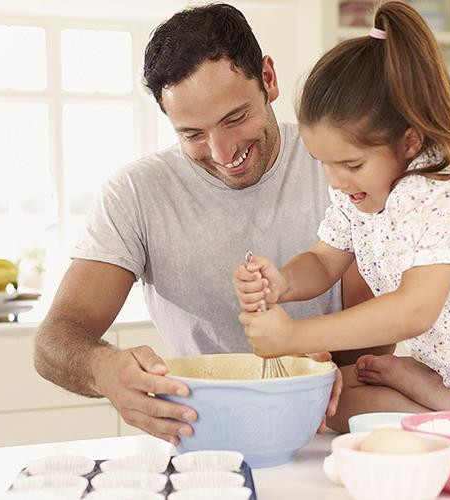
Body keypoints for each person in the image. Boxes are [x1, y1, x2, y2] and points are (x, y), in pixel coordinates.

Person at [34, 3, 383, 445]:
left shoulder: (336, 164)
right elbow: (54, 340)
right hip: (199, 439)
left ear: (269, 80)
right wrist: (104, 372)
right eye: (192, 135)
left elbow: (381, 317)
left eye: (235, 118)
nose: (222, 153)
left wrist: (321, 369)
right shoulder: (136, 194)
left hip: (329, 429)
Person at [234, 0, 450, 432]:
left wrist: (296, 337)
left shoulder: (440, 191)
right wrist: (283, 281)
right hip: (447, 366)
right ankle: (449, 403)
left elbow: (414, 310)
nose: (336, 180)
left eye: (351, 164)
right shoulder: (357, 192)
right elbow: (324, 261)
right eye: (323, 162)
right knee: (328, 398)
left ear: (410, 142)